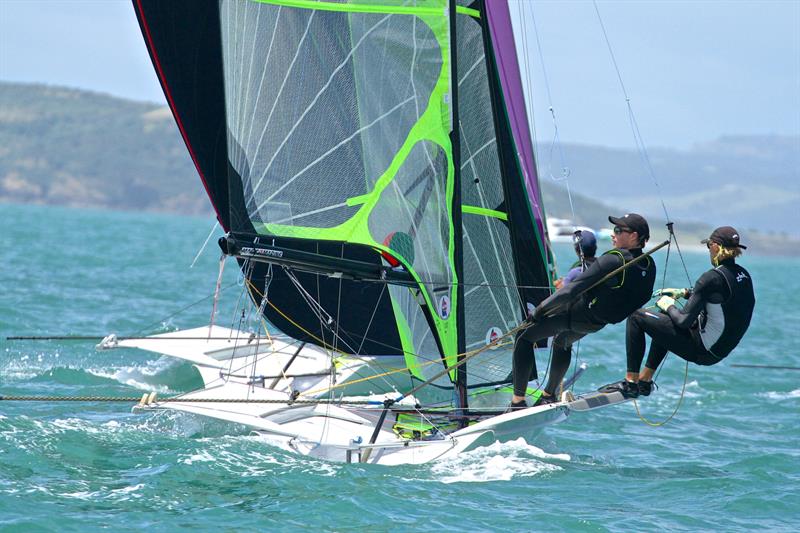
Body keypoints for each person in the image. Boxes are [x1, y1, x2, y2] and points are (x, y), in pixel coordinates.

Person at [509, 213, 657, 409]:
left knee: (524, 336)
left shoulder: (613, 260)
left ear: (634, 236)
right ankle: (548, 395)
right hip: (597, 323)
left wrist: (540, 309)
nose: (613, 234)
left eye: (618, 230)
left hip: (577, 313)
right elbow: (642, 298)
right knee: (562, 342)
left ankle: (517, 401)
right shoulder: (648, 264)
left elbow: (571, 290)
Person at [601, 226, 755, 398]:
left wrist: (668, 305)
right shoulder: (743, 275)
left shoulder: (711, 278)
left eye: (708, 246)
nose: (708, 251)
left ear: (715, 247)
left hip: (703, 350)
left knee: (637, 317)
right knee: (664, 319)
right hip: (719, 350)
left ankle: (630, 383)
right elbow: (722, 296)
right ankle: (644, 381)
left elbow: (683, 321)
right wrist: (685, 292)